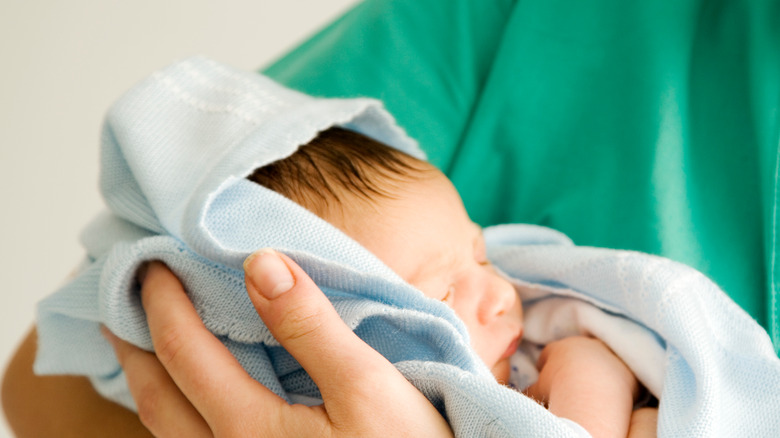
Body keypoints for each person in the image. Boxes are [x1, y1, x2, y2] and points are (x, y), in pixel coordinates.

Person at [3, 126, 657, 438]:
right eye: (446, 294)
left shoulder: (558, 352)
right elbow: (30, 386)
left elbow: (592, 366)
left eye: (483, 257)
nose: (501, 295)